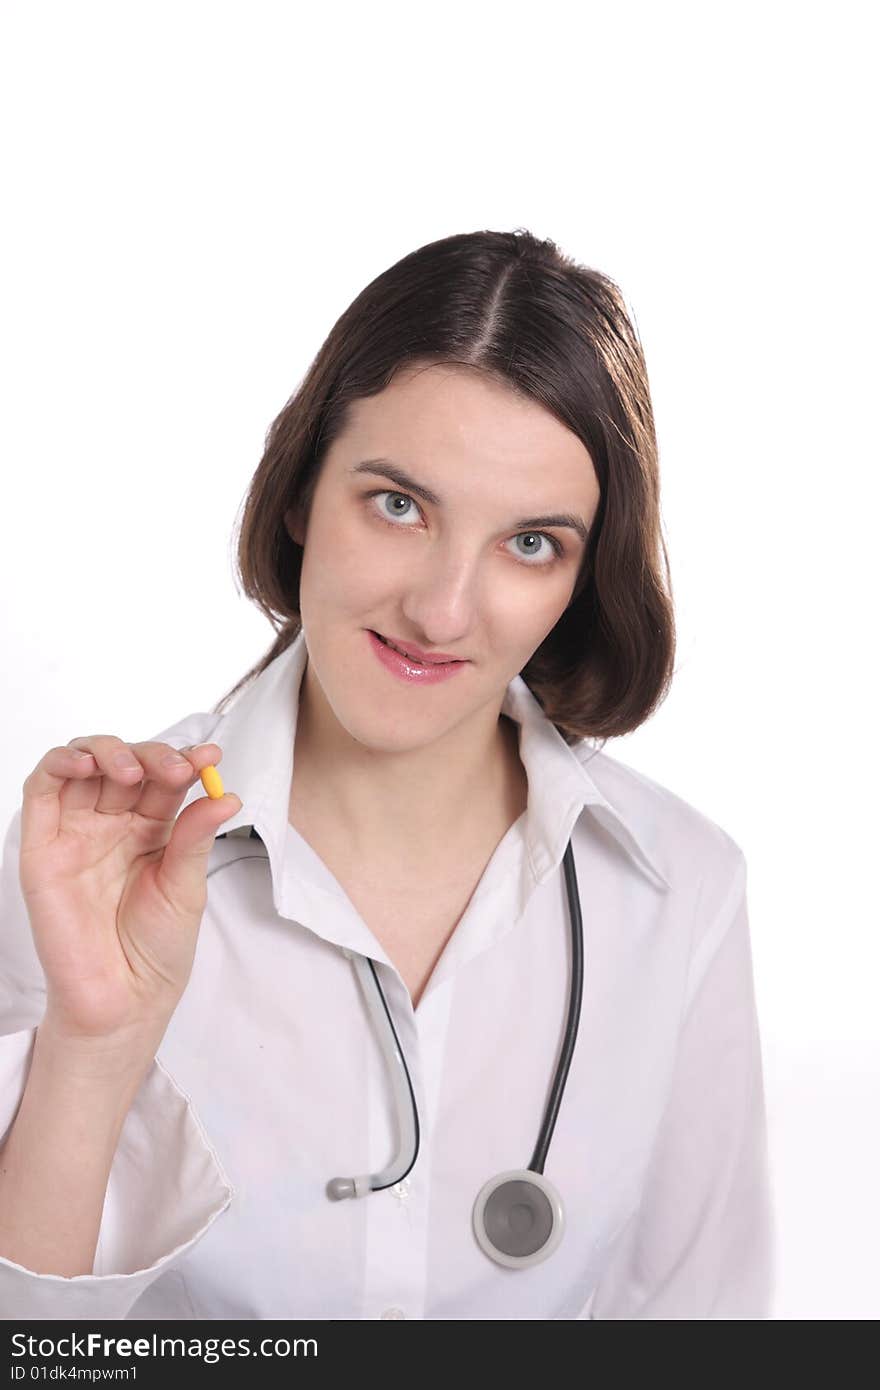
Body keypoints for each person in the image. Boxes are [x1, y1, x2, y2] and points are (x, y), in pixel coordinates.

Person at [0, 228, 775, 1320]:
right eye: (399, 504)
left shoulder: (680, 891)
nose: (443, 609)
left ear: (582, 581)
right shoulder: (90, 863)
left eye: (531, 543)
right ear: (300, 490)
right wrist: (95, 1046)